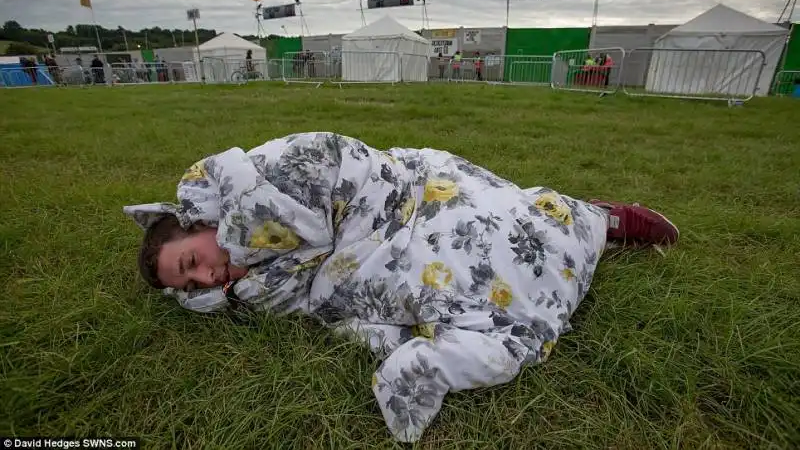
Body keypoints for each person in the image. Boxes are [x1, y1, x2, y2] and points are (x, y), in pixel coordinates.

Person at [123, 132, 678, 443]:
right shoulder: (243, 288)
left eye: (193, 260)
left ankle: (598, 220)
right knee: (470, 291)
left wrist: (249, 248)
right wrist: (233, 286)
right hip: (368, 266)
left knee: (491, 219)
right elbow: (311, 293)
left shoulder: (254, 180)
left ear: (199, 220)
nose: (205, 276)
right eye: (189, 283)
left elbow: (330, 176)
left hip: (395, 199)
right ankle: (567, 244)